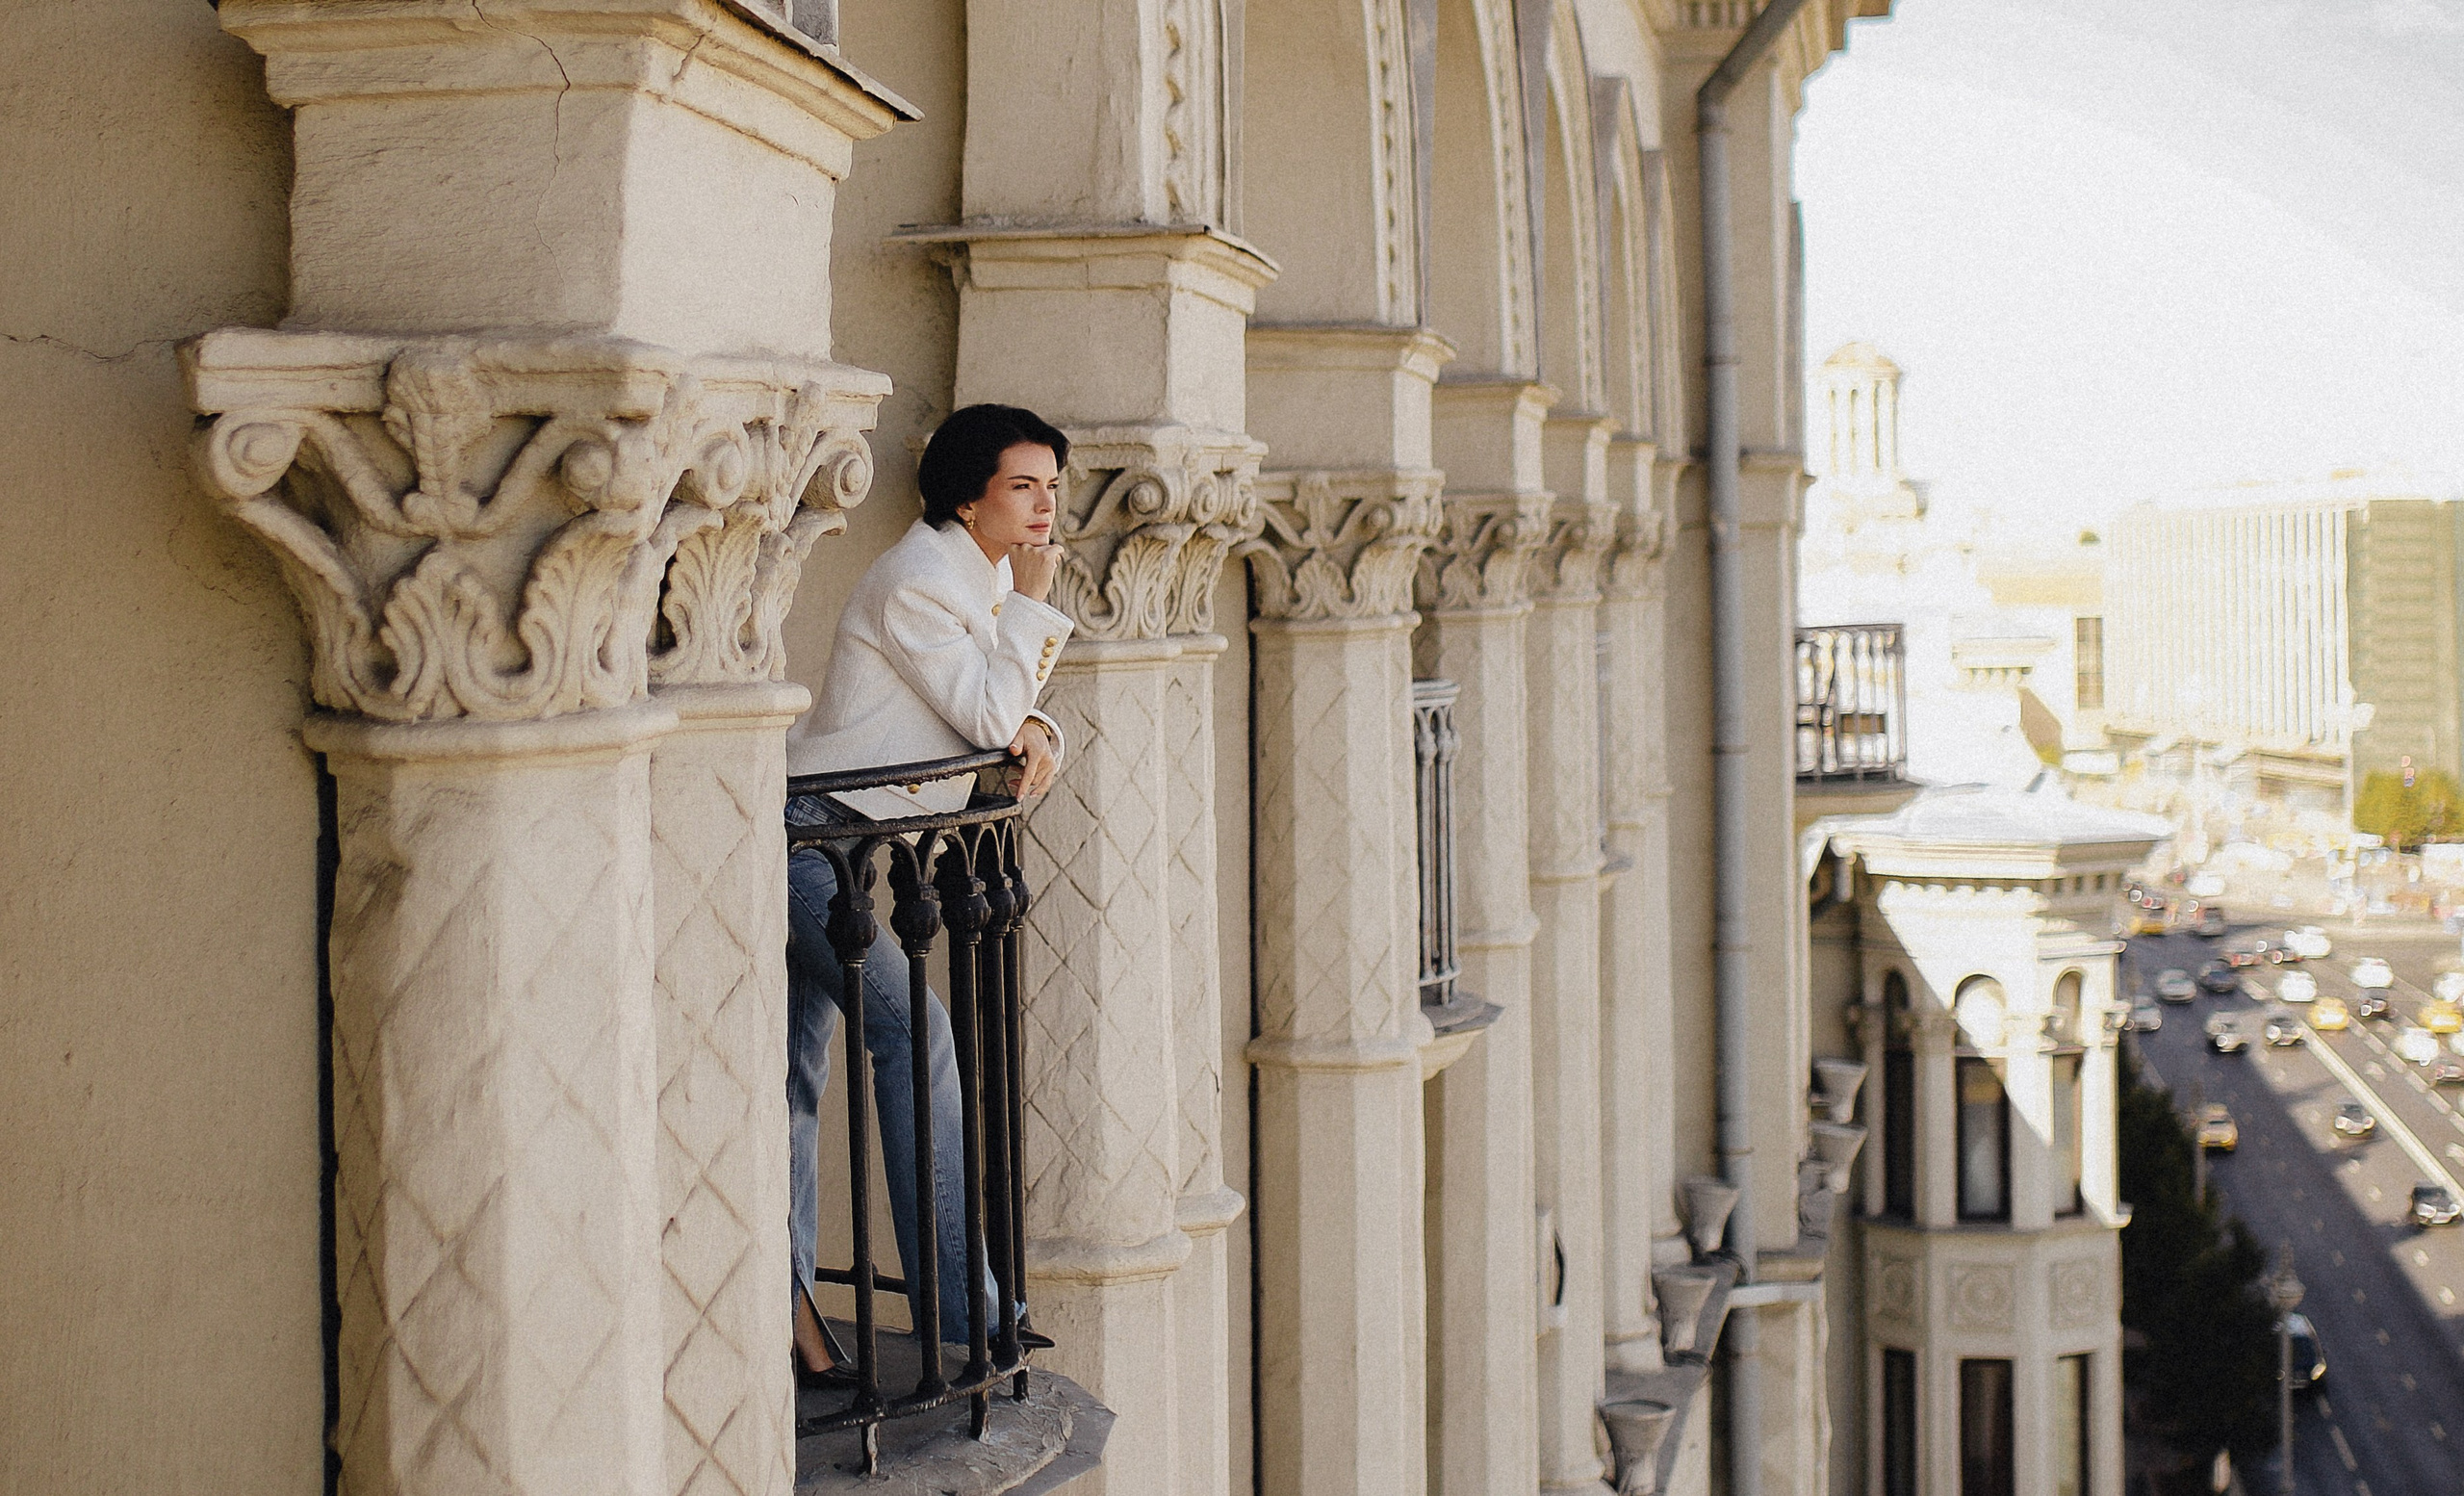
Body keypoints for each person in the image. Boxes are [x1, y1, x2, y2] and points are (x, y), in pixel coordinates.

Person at [783, 404, 1073, 1384]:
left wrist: (1038, 727)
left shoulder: (976, 580)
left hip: (854, 853)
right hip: (812, 843)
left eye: (1050, 485)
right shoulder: (920, 581)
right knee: (917, 1036)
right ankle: (962, 1311)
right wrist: (1031, 616)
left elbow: (999, 717)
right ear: (968, 495)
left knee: (794, 1079)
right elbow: (986, 709)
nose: (1044, 505)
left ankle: (785, 1310)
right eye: (1022, 485)